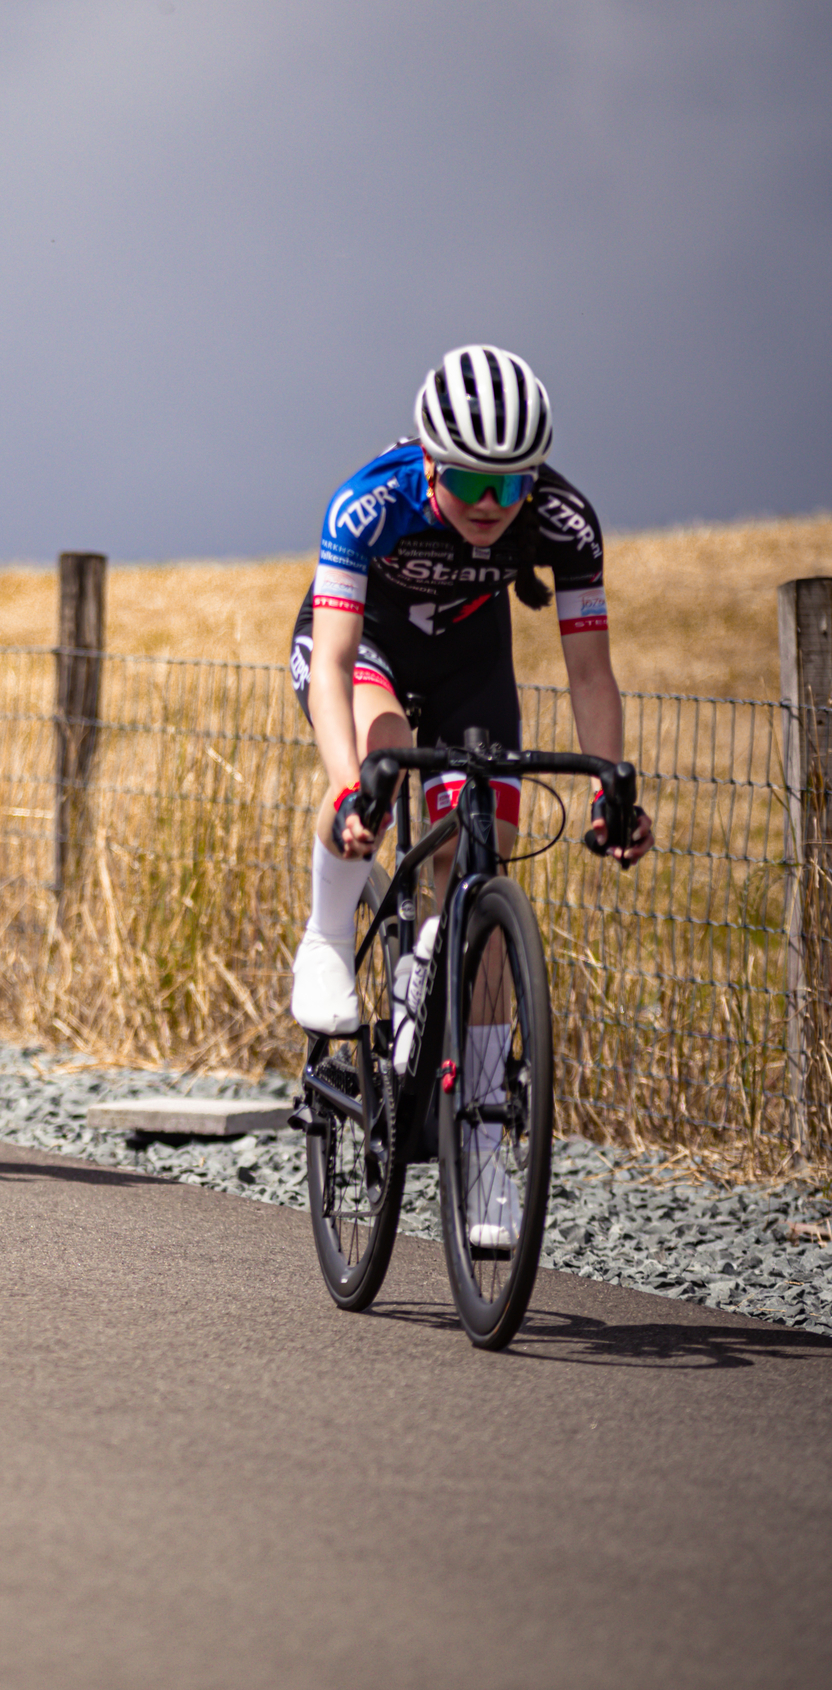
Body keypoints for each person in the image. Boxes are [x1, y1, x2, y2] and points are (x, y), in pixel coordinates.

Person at [289, 343, 653, 1244]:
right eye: (468, 484)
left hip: (469, 667)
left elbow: (591, 676)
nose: (492, 507)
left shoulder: (564, 518)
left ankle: (486, 1143)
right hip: (365, 651)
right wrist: (348, 789)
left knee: (480, 843)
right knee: (380, 760)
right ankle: (329, 938)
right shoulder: (369, 502)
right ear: (426, 461)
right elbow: (331, 664)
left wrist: (612, 789)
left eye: (511, 485)